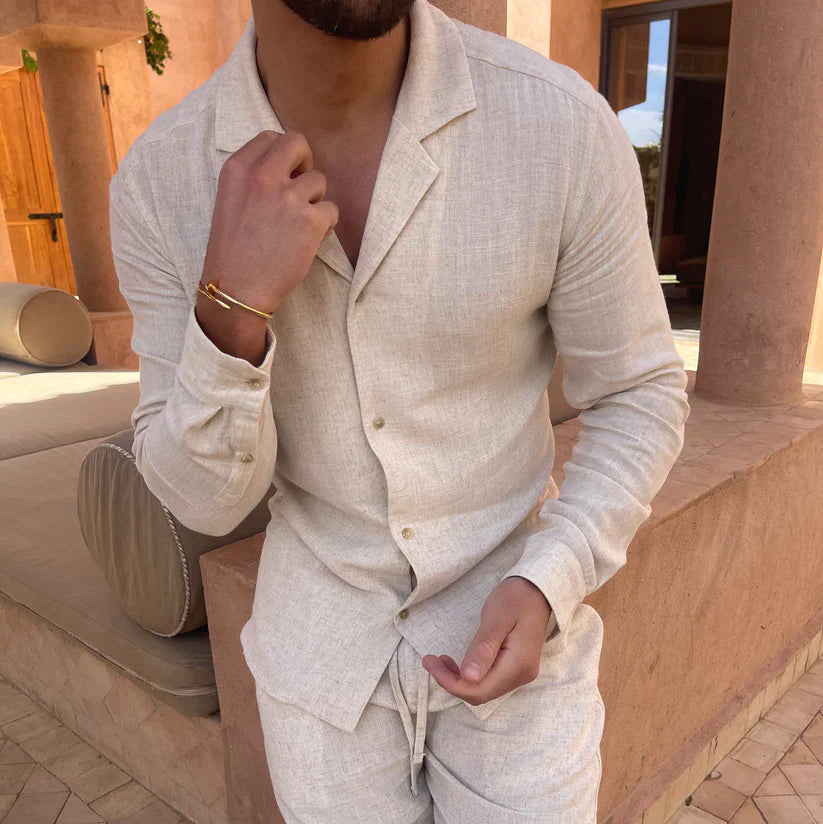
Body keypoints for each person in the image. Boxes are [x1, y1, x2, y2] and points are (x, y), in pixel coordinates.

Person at [109, 0, 691, 818]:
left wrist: (551, 578)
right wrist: (229, 309)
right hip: (319, 670)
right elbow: (203, 501)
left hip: (519, 646)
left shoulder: (556, 127)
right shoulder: (158, 180)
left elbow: (639, 392)